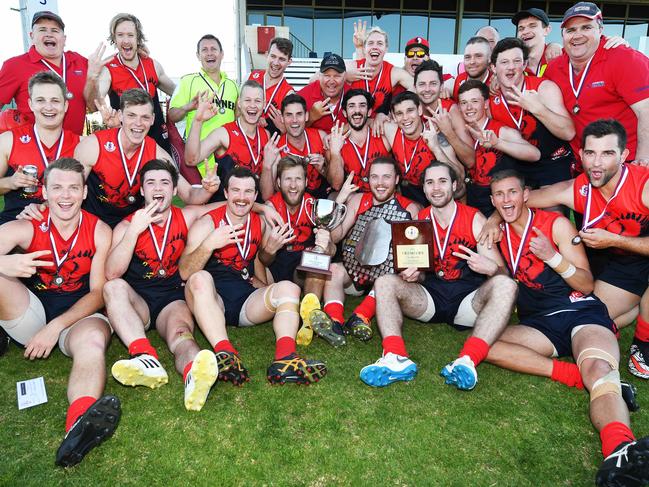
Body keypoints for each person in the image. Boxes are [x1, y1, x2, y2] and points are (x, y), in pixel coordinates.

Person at [484, 168, 649, 487]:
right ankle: (575, 376)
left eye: (513, 192)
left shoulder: (556, 225)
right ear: (493, 201)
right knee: (482, 344)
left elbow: (587, 284)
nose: (507, 200)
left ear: (526, 194)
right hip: (540, 323)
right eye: (500, 195)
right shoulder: (498, 232)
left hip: (579, 311)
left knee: (599, 367)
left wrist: (552, 258)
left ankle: (620, 449)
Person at [484, 120, 649, 381]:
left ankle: (643, 344)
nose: (596, 163)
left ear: (624, 156)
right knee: (590, 314)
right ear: (581, 154)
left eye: (607, 153)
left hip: (633, 256)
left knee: (595, 315)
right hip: (606, 258)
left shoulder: (643, 186)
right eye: (590, 153)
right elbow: (522, 199)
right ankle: (637, 304)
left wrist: (616, 240)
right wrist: (494, 218)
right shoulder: (578, 188)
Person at [0, 158, 117, 467]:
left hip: (77, 317)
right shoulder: (26, 225)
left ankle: (78, 426)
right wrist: (4, 264)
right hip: (33, 313)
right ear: (45, 192)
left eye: (73, 189)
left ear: (83, 193)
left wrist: (56, 328)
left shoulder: (100, 230)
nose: (65, 196)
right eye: (57, 188)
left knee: (93, 342)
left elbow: (97, 292)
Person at [360, 162, 516, 389]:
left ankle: (467, 360)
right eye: (430, 183)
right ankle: (396, 357)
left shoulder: (473, 218)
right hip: (430, 299)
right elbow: (420, 274)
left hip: (467, 302)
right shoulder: (417, 222)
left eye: (442, 181)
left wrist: (491, 268)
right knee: (384, 282)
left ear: (454, 185)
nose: (436, 188)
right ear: (423, 189)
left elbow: (503, 274)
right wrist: (415, 276)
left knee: (506, 285)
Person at [179, 166, 327, 391]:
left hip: (245, 302)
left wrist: (270, 249)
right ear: (226, 194)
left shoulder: (260, 222)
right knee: (199, 278)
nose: (242, 197)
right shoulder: (207, 224)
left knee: (288, 288)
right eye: (236, 191)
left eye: (248, 192)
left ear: (255, 196)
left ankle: (285, 359)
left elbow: (263, 259)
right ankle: (226, 354)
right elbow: (184, 272)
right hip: (211, 301)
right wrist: (209, 244)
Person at [103, 159, 234, 411]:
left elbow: (232, 207)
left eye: (165, 182)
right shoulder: (125, 226)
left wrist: (264, 208)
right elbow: (112, 273)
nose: (158, 188)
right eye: (151, 183)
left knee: (181, 336)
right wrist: (134, 232)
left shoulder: (185, 215)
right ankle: (145, 357)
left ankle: (194, 375)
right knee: (113, 288)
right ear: (142, 190)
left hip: (171, 299)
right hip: (137, 302)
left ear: (174, 190)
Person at [72, 89, 217, 227]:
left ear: (153, 119)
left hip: (133, 225)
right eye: (131, 115)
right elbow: (71, 190)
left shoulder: (158, 155)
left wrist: (207, 190)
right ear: (121, 115)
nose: (138, 123)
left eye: (145, 117)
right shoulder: (93, 146)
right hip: (93, 222)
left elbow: (189, 195)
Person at [319, 157, 421, 346]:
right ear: (368, 179)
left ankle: (361, 315)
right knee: (334, 270)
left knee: (390, 278)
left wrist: (414, 270)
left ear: (397, 179)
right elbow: (336, 237)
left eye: (386, 177)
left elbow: (416, 255)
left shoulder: (410, 209)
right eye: (374, 177)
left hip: (387, 278)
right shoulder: (359, 200)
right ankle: (335, 323)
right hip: (356, 269)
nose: (380, 183)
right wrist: (340, 201)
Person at [544, 1, 649, 166]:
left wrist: (643, 161)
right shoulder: (554, 67)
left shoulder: (624, 58)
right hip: (580, 164)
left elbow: (646, 110)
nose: (577, 35)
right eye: (571, 30)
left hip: (624, 163)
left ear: (600, 30)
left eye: (586, 28)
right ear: (563, 35)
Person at [489, 38, 575, 193]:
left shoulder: (543, 88)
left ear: (524, 65)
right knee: (508, 207)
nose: (511, 67)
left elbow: (568, 132)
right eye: (504, 62)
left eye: (517, 61)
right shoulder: (491, 102)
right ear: (493, 68)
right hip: (519, 163)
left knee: (552, 212)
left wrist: (537, 108)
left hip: (552, 160)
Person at [84, 13, 176, 152]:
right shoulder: (108, 69)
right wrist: (92, 77)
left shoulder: (152, 64)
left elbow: (177, 93)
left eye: (130, 35)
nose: (125, 40)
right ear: (114, 39)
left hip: (158, 141)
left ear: (138, 39)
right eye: (120, 35)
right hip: (129, 145)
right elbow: (92, 106)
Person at [0, 72, 80, 224]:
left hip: (64, 223)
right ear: (31, 104)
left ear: (65, 105)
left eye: (55, 101)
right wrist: (11, 182)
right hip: (17, 219)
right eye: (40, 100)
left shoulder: (81, 145)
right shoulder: (8, 140)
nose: (48, 107)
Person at [453, 80, 540, 216]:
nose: (469, 107)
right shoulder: (462, 133)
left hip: (501, 202)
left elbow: (534, 154)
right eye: (464, 103)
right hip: (473, 200)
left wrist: (497, 143)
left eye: (475, 101)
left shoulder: (501, 131)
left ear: (486, 104)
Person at [0, 11, 88, 135]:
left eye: (55, 30)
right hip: (32, 149)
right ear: (32, 36)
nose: (49, 34)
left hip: (74, 148)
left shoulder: (79, 61)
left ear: (64, 39)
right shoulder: (14, 65)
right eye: (42, 30)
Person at [168, 34, 239, 175]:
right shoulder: (187, 81)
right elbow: (172, 115)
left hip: (228, 156)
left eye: (214, 49)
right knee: (202, 197)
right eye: (204, 50)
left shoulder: (233, 85)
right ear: (198, 55)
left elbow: (238, 118)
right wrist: (188, 106)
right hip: (198, 159)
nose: (209, 53)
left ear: (222, 54)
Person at [184, 80, 270, 188]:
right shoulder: (223, 134)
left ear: (264, 104)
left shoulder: (266, 135)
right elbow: (190, 160)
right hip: (226, 201)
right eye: (247, 100)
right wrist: (198, 121)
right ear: (239, 103)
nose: (252, 105)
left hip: (255, 200)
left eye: (257, 101)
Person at [383, 91, 462, 207]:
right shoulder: (391, 131)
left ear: (419, 110)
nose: (405, 118)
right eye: (399, 113)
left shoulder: (436, 135)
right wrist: (378, 117)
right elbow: (366, 123)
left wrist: (436, 149)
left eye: (410, 111)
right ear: (394, 117)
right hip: (407, 192)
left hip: (434, 192)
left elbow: (459, 180)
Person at [261, 93, 329, 199]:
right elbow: (266, 197)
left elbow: (336, 184)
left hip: (318, 199)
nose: (294, 120)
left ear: (306, 116)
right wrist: (267, 166)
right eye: (289, 115)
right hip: (290, 200)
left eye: (299, 114)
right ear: (282, 118)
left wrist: (323, 170)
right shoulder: (276, 148)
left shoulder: (321, 137)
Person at [327, 88, 390, 192]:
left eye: (362, 105)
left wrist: (381, 115)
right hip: (355, 198)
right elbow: (336, 185)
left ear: (369, 112)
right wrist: (335, 152)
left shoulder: (383, 135)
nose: (357, 110)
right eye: (351, 106)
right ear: (345, 113)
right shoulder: (336, 143)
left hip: (383, 195)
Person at [348, 27, 414, 117]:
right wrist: (344, 75)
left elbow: (416, 86)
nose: (375, 47)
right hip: (356, 123)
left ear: (386, 49)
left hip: (380, 125)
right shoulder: (352, 67)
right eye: (370, 43)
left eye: (380, 43)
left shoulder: (393, 72)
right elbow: (324, 76)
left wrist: (394, 111)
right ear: (364, 48)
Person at [248, 37, 295, 134]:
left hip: (268, 142)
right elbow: (239, 109)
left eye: (282, 59)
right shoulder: (252, 76)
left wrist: (280, 127)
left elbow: (289, 131)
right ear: (266, 55)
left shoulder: (289, 93)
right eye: (273, 56)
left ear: (289, 62)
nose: (276, 63)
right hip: (245, 137)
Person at [297, 54, 350, 133]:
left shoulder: (353, 95)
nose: (331, 81)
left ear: (345, 76)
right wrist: (311, 117)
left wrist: (349, 127)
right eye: (327, 76)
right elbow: (293, 129)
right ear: (319, 76)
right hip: (313, 144)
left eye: (337, 76)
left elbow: (367, 120)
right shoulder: (302, 96)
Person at [449, 36, 492, 101]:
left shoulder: (496, 84)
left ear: (489, 59)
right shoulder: (460, 78)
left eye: (478, 56)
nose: (472, 62)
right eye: (467, 57)